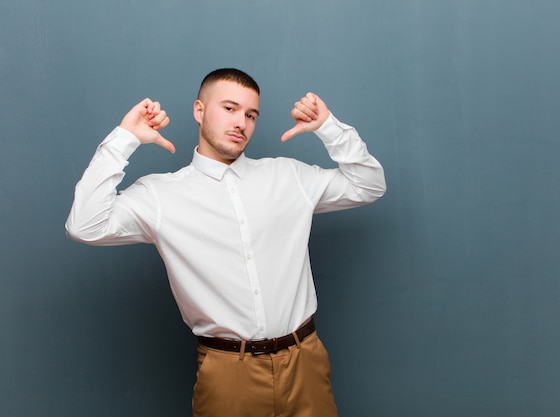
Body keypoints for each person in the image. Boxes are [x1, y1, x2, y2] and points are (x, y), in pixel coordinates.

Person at [65, 68, 386, 417]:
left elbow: (369, 185)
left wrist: (328, 127)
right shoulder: (161, 195)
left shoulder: (289, 176)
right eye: (229, 109)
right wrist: (125, 138)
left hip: (304, 361)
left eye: (250, 115)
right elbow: (85, 225)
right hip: (228, 371)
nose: (241, 123)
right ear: (199, 111)